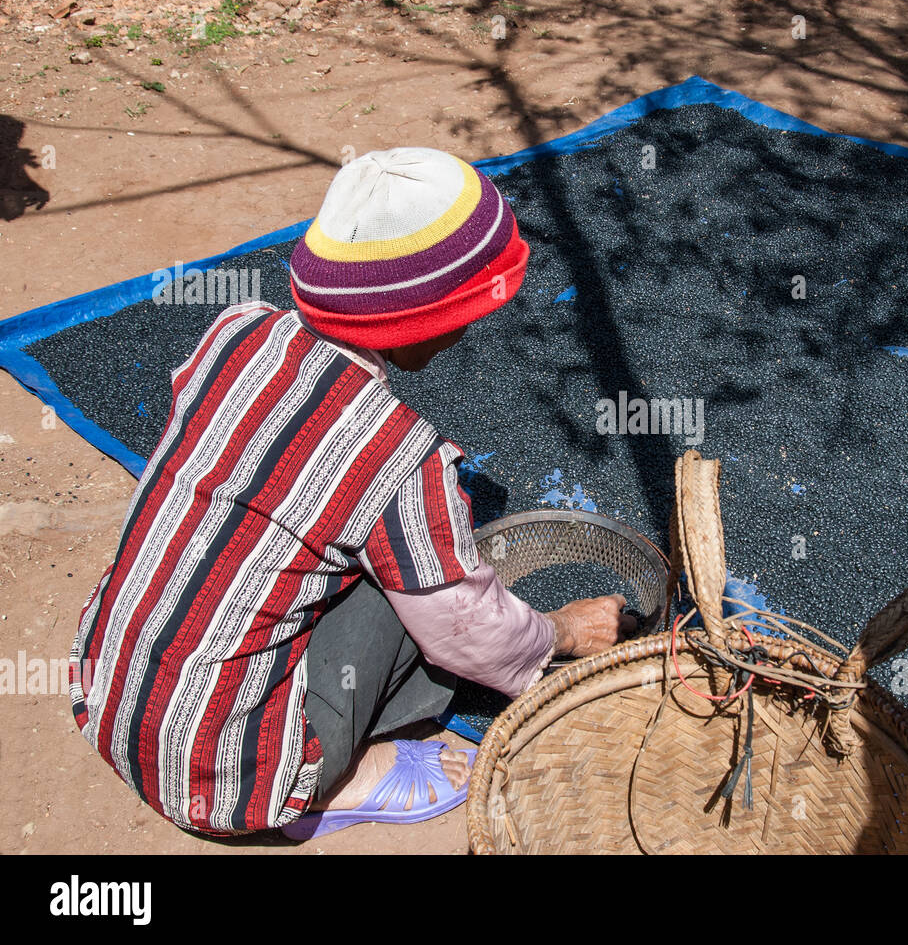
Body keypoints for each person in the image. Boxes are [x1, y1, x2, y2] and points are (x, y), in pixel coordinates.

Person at [68, 147, 636, 839]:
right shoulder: (399, 458)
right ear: (426, 316)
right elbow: (470, 635)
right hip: (224, 777)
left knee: (319, 548)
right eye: (467, 313)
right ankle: (332, 781)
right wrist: (564, 631)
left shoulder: (238, 329)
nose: (472, 331)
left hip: (105, 696)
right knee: (426, 586)